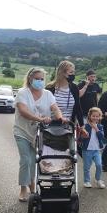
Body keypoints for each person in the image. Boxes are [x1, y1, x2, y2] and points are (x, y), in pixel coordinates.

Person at [13, 67, 66, 202]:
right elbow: (23, 111)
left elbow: (55, 108)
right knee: (26, 160)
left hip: (39, 133)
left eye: (42, 79)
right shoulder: (22, 93)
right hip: (22, 131)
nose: (40, 81)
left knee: (33, 161)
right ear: (30, 79)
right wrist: (40, 119)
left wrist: (60, 118)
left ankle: (32, 186)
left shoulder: (48, 94)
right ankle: (23, 188)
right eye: (37, 79)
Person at [46, 60, 85, 126]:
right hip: (51, 127)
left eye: (74, 72)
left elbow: (78, 107)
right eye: (71, 72)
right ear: (62, 73)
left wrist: (82, 126)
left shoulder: (74, 87)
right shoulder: (50, 88)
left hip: (69, 127)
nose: (73, 74)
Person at [78, 107, 106, 188]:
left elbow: (102, 137)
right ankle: (86, 181)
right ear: (89, 116)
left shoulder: (100, 127)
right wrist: (83, 136)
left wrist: (96, 128)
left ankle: (98, 180)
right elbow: (80, 139)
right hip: (87, 150)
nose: (95, 118)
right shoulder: (85, 126)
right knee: (87, 167)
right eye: (93, 116)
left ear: (99, 117)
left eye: (97, 116)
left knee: (99, 165)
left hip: (97, 150)